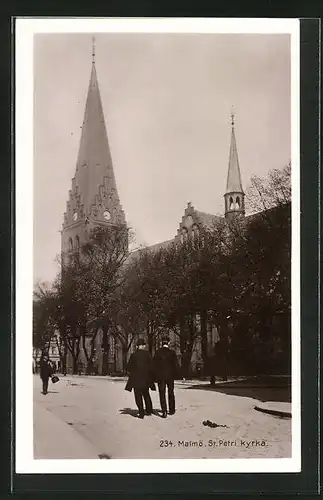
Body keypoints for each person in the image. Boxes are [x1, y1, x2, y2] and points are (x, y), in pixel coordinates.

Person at [125, 339, 155, 419]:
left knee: (138, 396)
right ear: (144, 346)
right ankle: (149, 410)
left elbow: (129, 367)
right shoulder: (148, 355)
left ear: (137, 346)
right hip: (146, 379)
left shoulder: (133, 355)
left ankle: (141, 412)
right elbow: (152, 366)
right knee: (146, 394)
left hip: (136, 379)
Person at [153, 336, 178, 418]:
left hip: (161, 376)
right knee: (171, 392)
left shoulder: (157, 352)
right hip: (170, 376)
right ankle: (171, 409)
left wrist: (155, 376)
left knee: (162, 393)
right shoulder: (172, 353)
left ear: (161, 343)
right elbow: (175, 365)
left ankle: (164, 411)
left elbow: (154, 365)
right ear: (169, 343)